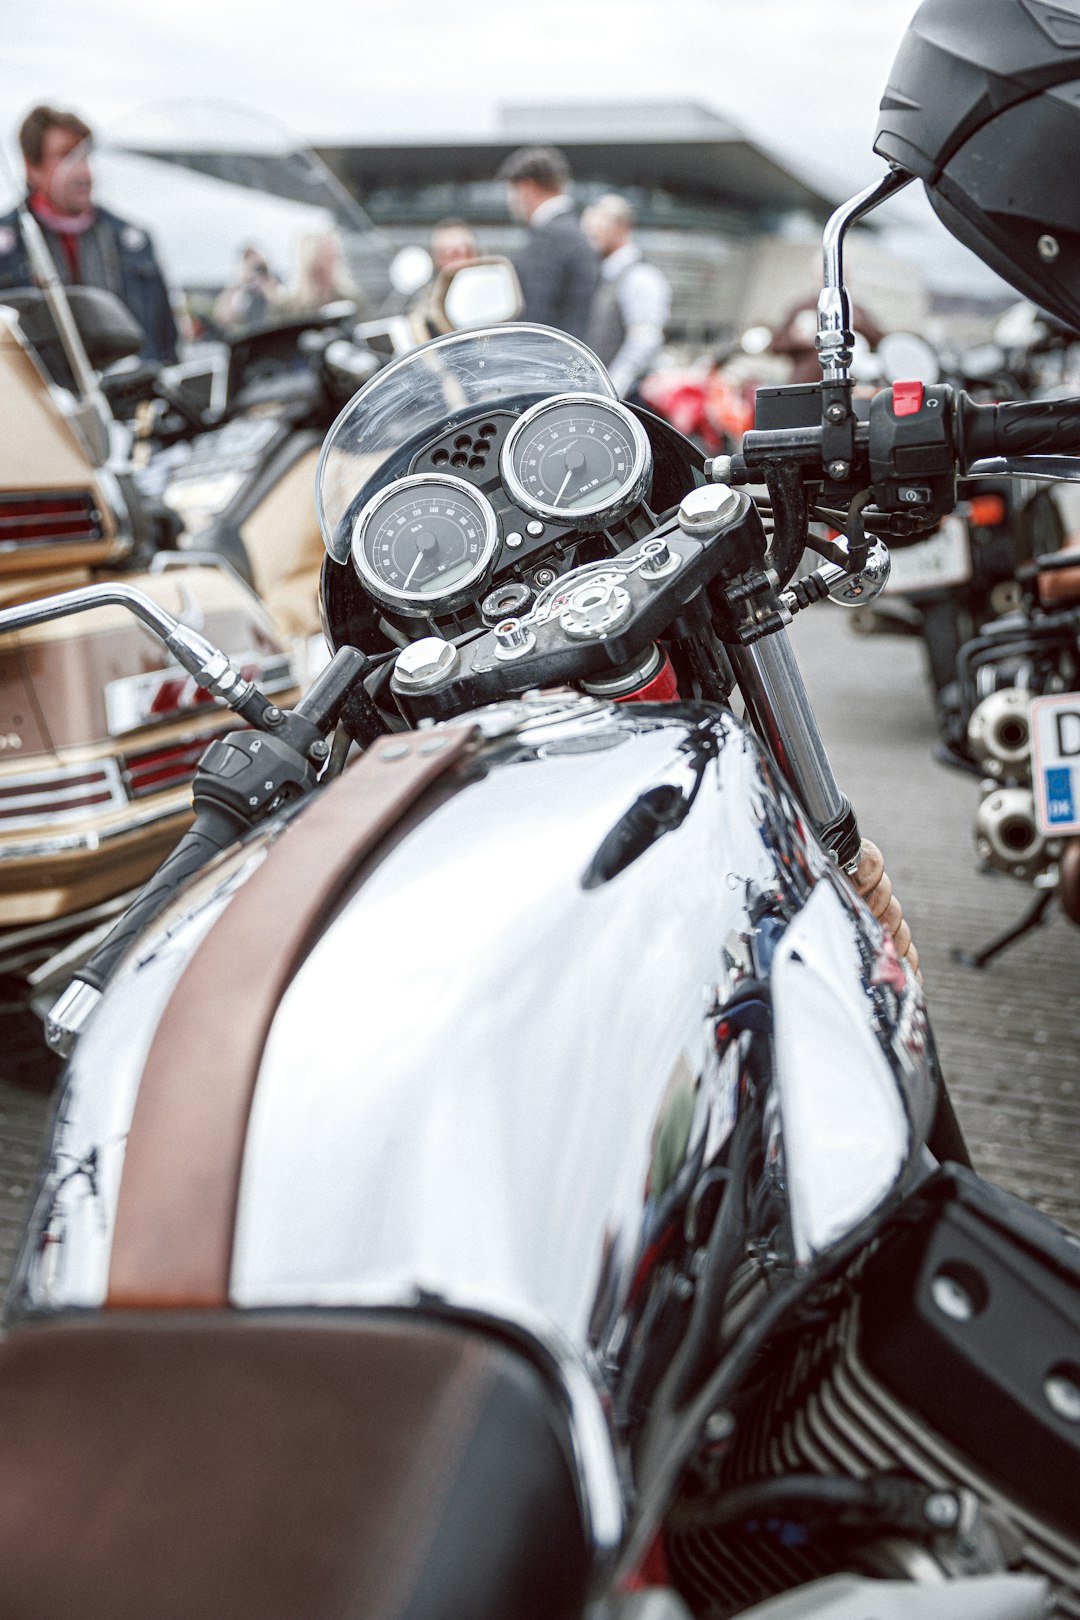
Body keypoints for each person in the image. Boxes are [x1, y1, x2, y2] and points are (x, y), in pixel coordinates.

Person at [0, 104, 179, 364]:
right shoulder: (8, 245)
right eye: (66, 157)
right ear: (32, 167)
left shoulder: (133, 241)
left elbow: (166, 346)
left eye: (85, 156)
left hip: (128, 398)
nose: (83, 171)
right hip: (41, 400)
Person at [495, 146, 598, 340]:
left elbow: (534, 323)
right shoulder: (570, 230)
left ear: (526, 187)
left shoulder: (551, 237)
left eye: (511, 191)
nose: (510, 201)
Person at [581, 194, 671, 401]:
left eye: (598, 229)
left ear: (622, 228)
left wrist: (611, 391)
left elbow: (645, 340)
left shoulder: (640, 277)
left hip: (626, 399)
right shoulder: (604, 276)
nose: (591, 236)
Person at [213, 245, 284, 331]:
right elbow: (223, 319)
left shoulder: (273, 280)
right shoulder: (239, 288)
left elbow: (281, 304)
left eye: (259, 267)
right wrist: (240, 282)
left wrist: (265, 283)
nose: (256, 271)